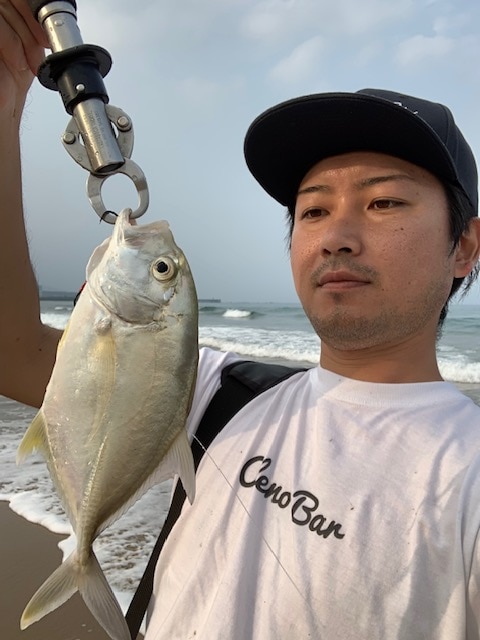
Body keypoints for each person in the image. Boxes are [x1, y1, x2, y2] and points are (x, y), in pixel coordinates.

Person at [1, 2, 480, 639]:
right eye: (312, 212)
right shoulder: (212, 392)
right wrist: (5, 110)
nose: (336, 235)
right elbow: (10, 350)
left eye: (384, 201)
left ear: (466, 247)